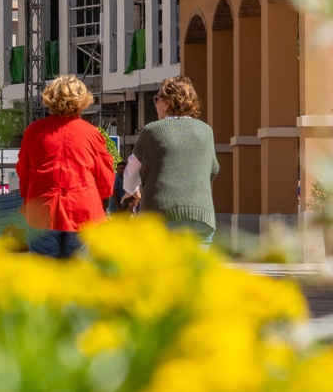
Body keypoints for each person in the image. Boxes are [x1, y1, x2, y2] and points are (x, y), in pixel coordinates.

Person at [16, 74, 115, 259]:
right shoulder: (92, 134)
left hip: (42, 210)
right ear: (84, 100)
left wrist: (28, 197)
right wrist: (102, 197)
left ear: (49, 98)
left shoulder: (34, 131)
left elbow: (23, 170)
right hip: (82, 211)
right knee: (79, 274)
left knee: (44, 272)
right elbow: (105, 175)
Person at [122, 76, 220, 246]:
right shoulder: (206, 131)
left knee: (160, 271)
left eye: (156, 99)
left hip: (160, 216)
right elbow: (213, 169)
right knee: (194, 272)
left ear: (166, 103)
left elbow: (131, 171)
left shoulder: (152, 130)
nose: (155, 104)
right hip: (201, 216)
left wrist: (132, 190)